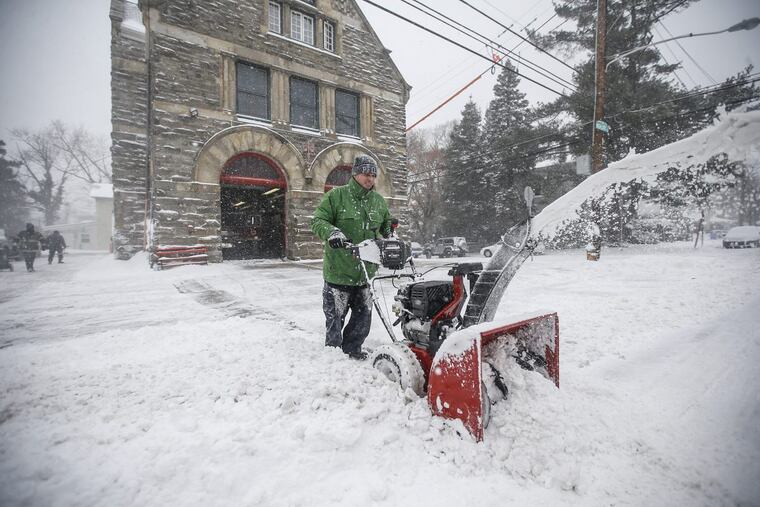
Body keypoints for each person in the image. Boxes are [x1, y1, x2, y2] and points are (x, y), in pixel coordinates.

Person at [311, 155, 392, 360]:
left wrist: (390, 232)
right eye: (366, 174)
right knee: (335, 318)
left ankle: (353, 350)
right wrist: (332, 233)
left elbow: (385, 227)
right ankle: (334, 356)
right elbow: (319, 220)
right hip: (339, 271)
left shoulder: (378, 202)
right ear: (355, 174)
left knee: (362, 318)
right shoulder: (336, 196)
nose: (370, 179)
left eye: (373, 175)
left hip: (366, 273)